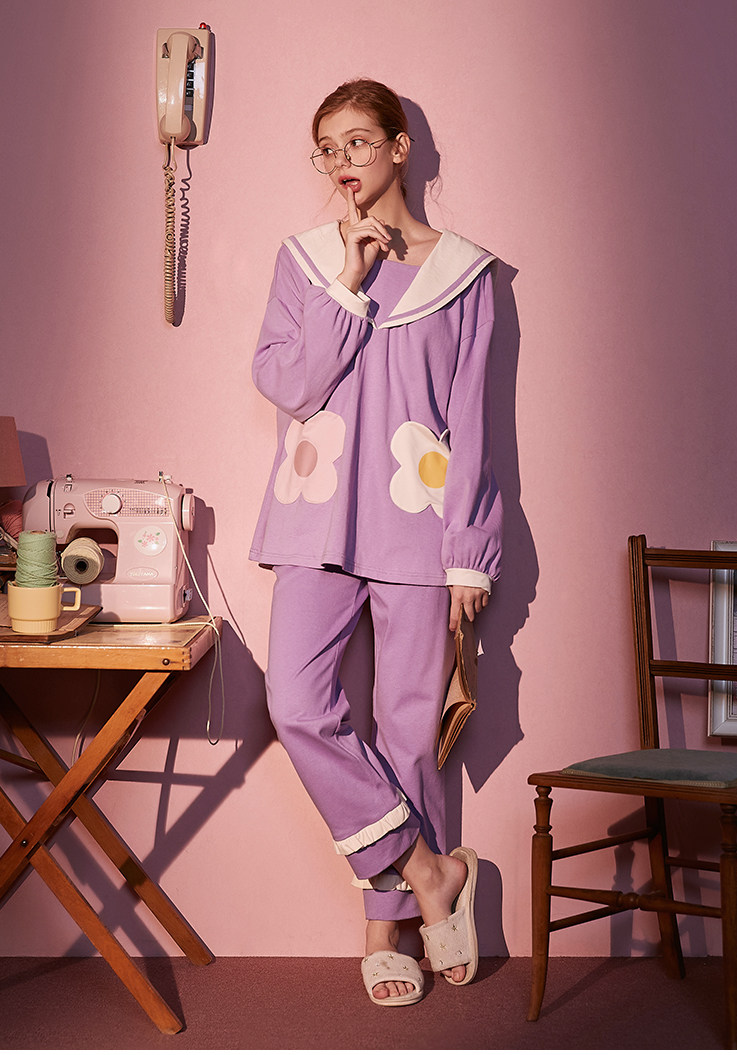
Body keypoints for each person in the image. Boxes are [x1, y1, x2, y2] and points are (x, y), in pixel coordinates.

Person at [249, 78, 502, 1005]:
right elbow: (290, 385)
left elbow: (473, 422)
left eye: (358, 141)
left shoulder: (465, 274)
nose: (341, 161)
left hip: (420, 529)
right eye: (327, 147)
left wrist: (470, 550)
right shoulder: (309, 261)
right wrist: (349, 283)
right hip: (314, 515)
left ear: (400, 147)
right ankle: (432, 870)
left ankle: (385, 929)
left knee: (407, 729)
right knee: (296, 705)